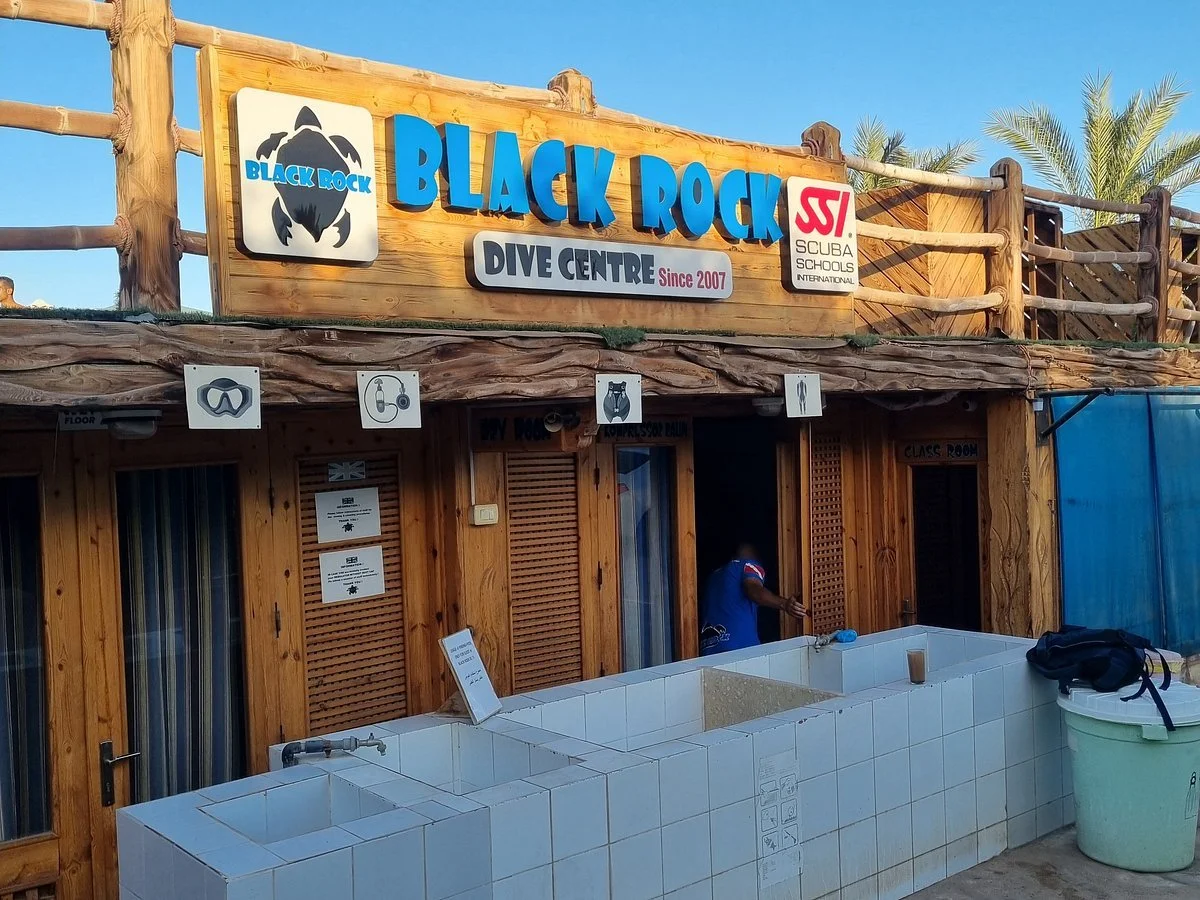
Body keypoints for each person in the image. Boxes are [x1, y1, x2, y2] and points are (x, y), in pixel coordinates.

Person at [700, 541, 807, 655]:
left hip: (709, 651)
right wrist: (785, 604)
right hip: (741, 649)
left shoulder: (712, 578)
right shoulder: (748, 565)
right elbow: (754, 591)